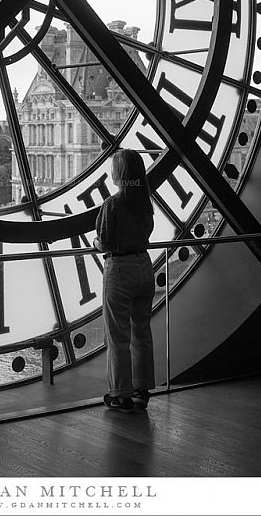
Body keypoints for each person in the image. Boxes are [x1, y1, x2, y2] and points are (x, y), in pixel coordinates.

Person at [94, 148, 155, 413]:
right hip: (144, 265)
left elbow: (105, 240)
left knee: (118, 336)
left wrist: (95, 243)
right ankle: (142, 390)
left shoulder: (113, 204)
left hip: (119, 269)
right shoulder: (145, 202)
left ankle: (120, 394)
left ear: (119, 173)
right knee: (141, 332)